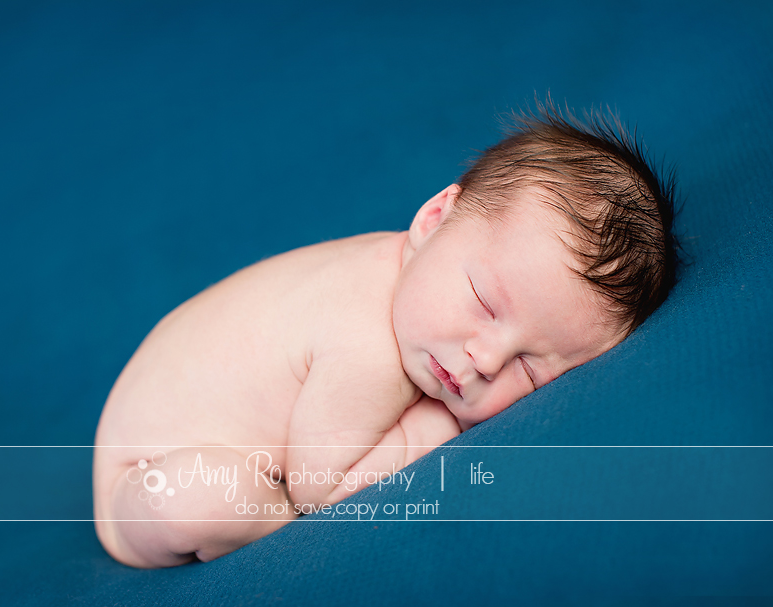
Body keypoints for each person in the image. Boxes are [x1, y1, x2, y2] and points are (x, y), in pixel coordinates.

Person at [92, 101, 680, 568]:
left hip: (151, 414)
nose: (486, 358)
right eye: (483, 302)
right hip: (138, 480)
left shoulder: (412, 273)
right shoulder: (368, 340)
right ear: (434, 220)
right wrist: (432, 427)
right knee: (195, 500)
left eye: (530, 369)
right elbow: (320, 489)